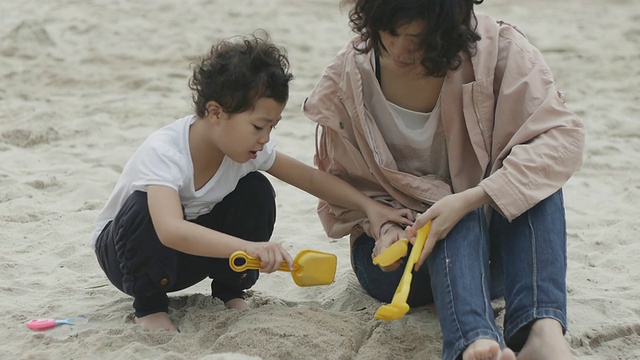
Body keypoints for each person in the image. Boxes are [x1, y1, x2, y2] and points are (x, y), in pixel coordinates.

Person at [303, 1, 584, 359]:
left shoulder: (499, 49)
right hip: (398, 263)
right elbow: (343, 192)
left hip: (494, 257)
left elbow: (559, 140)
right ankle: (473, 341)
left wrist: (473, 198)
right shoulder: (348, 76)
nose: (401, 49)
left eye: (418, 38)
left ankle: (542, 333)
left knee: (534, 183)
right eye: (390, 33)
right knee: (448, 211)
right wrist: (382, 227)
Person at [91, 33, 412, 332]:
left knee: (256, 189)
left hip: (185, 260)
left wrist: (369, 207)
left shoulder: (243, 149)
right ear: (215, 112)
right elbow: (169, 230)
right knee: (143, 206)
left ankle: (230, 290)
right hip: (127, 257)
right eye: (259, 126)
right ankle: (149, 308)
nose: (266, 138)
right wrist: (250, 247)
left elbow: (311, 179)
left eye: (272, 127)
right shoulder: (165, 151)